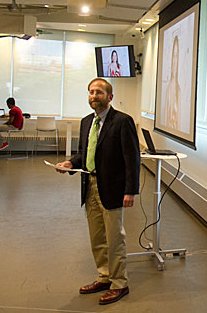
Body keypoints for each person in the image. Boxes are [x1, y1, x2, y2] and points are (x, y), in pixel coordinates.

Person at [55, 78, 140, 305]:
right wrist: (70, 164)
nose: (94, 96)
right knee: (97, 238)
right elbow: (84, 154)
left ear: (109, 97)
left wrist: (130, 190)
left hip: (113, 188)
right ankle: (104, 276)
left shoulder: (122, 121)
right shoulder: (86, 122)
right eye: (91, 92)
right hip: (89, 186)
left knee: (115, 239)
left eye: (99, 92)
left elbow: (132, 158)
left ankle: (119, 283)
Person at [164, 35, 181, 130]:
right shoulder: (168, 88)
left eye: (176, 56)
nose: (175, 61)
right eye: (173, 56)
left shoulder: (179, 90)